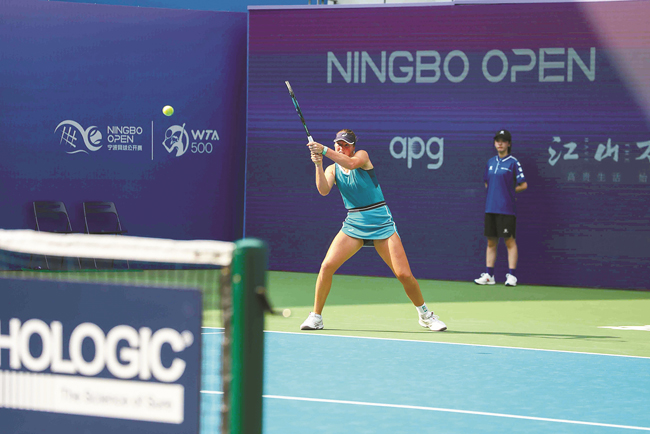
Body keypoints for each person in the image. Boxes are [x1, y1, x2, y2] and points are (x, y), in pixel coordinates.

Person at [299, 129, 446, 332]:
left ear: (353, 147)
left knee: (404, 274)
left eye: (346, 145)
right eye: (338, 144)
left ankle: (425, 315)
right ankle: (316, 317)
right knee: (327, 266)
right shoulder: (332, 169)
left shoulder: (361, 157)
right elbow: (323, 190)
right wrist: (318, 164)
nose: (341, 148)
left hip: (381, 222)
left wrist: (323, 150)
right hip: (354, 223)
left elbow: (350, 164)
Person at [474, 129, 528, 287]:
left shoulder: (513, 162)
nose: (500, 143)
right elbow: (487, 182)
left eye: (503, 141)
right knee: (491, 242)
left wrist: (509, 192)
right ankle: (489, 275)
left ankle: (512, 276)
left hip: (506, 209)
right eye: (498, 141)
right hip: (490, 208)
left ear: (509, 144)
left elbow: (523, 184)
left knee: (509, 241)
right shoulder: (490, 162)